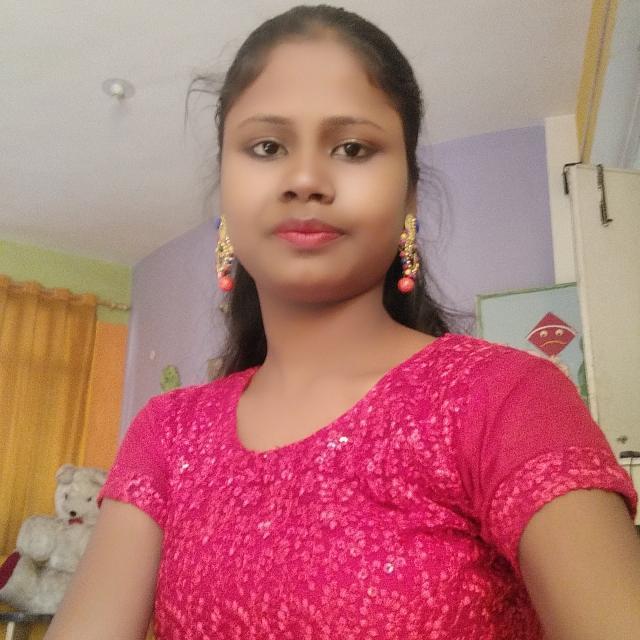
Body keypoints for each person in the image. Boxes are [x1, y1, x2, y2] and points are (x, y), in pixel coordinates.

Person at [45, 5, 640, 639]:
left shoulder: (505, 398)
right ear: (225, 194)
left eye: (352, 148)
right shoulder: (166, 434)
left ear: (409, 196)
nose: (305, 179)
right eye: (267, 147)